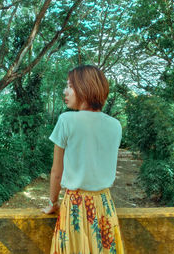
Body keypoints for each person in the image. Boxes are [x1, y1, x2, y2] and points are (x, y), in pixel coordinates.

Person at [42, 65, 124, 254]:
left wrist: (53, 203)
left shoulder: (66, 120)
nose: (65, 91)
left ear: (84, 88)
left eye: (70, 86)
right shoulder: (116, 125)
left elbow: (56, 171)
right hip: (105, 206)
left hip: (75, 207)